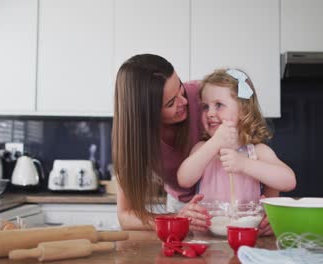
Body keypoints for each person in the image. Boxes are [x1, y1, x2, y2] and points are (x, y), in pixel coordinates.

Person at [112, 54, 277, 234]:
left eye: (180, 88)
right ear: (147, 114)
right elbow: (126, 215)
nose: (184, 102)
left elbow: (258, 154)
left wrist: (271, 207)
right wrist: (177, 219)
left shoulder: (206, 96)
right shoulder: (132, 138)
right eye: (170, 102)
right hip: (184, 207)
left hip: (241, 210)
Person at [177, 69, 296, 206]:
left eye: (219, 105)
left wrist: (244, 164)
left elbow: (288, 181)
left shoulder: (257, 151)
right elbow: (184, 180)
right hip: (209, 226)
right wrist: (214, 144)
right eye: (205, 107)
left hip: (248, 226)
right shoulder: (203, 148)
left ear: (243, 110)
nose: (209, 113)